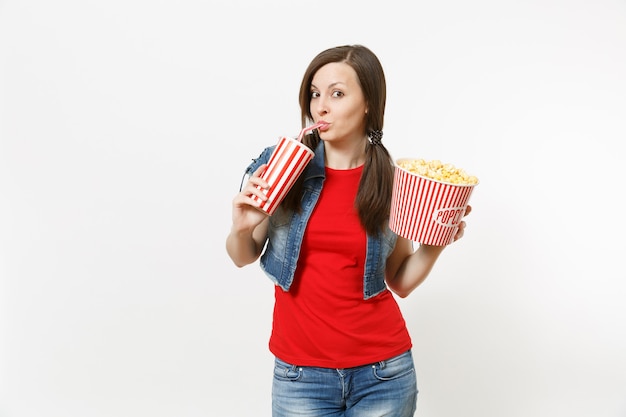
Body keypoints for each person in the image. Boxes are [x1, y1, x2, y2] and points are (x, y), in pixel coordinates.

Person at [226, 44, 471, 417]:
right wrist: (241, 229)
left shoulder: (393, 181)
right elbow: (241, 256)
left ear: (368, 103)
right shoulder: (279, 168)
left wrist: (436, 243)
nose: (320, 106)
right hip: (300, 376)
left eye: (337, 94)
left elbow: (400, 281)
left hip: (383, 374)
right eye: (315, 93)